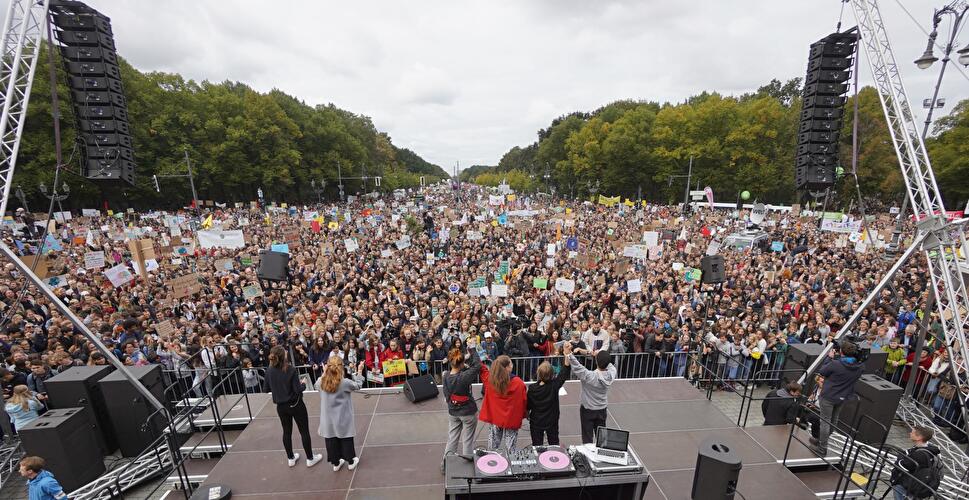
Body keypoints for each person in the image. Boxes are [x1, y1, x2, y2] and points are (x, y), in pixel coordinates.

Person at [265, 346, 323, 468]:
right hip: (296, 404)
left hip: (281, 407)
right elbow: (297, 390)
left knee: (286, 432)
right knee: (304, 431)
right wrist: (303, 384)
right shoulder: (290, 369)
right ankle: (310, 458)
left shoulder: (269, 370)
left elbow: (266, 389)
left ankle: (290, 458)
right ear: (283, 356)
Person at [810, 341, 864, 456]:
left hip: (828, 397)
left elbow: (822, 372)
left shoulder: (835, 364)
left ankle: (822, 448)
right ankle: (821, 441)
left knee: (825, 422)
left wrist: (829, 358)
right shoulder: (860, 367)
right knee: (833, 422)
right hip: (842, 397)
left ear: (841, 352)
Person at [316, 356, 364, 471]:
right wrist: (360, 371)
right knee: (346, 439)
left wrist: (324, 373)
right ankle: (351, 461)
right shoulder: (344, 383)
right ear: (341, 367)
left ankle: (336, 463)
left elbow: (317, 385)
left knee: (331, 441)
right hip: (342, 418)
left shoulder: (320, 381)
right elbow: (358, 385)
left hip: (327, 420)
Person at [441, 346, 482, 472]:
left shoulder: (445, 375)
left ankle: (445, 465)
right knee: (467, 440)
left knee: (452, 438)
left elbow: (446, 395)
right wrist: (473, 349)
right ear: (462, 363)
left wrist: (452, 405)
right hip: (468, 412)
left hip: (453, 412)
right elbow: (477, 366)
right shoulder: (464, 376)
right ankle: (468, 467)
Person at [478, 355, 527, 453]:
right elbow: (524, 400)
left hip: (495, 418)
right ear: (507, 367)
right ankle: (510, 463)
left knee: (493, 446)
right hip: (511, 419)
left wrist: (474, 351)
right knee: (510, 448)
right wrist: (525, 414)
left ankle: (492, 463)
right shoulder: (518, 383)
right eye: (511, 363)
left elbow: (481, 369)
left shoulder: (491, 380)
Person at [527, 343, 572, 446]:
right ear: (552, 374)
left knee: (537, 445)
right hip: (552, 420)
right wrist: (566, 353)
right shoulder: (554, 385)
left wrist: (526, 414)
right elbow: (565, 370)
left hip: (536, 421)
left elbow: (528, 405)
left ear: (538, 373)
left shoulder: (532, 388)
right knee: (554, 443)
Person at [568, 349, 616, 444]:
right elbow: (609, 364)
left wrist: (569, 355)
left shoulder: (590, 376)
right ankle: (602, 453)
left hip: (588, 409)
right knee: (601, 436)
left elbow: (578, 367)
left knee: (587, 437)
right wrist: (599, 356)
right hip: (602, 409)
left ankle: (588, 455)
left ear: (596, 361)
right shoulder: (612, 373)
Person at [890, 426, 942, 500]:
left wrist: (901, 457)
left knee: (899, 489)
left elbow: (900, 465)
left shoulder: (919, 455)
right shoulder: (930, 449)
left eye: (912, 432)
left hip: (909, 485)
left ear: (919, 438)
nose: (910, 433)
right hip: (921, 483)